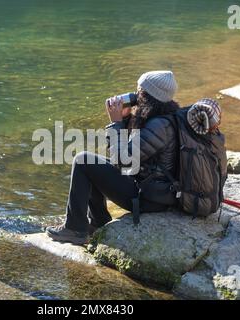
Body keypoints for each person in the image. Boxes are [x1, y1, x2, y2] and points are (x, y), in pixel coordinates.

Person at [46, 71, 181, 245]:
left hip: (149, 200)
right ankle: (98, 222)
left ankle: (75, 229)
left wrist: (116, 123)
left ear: (147, 96)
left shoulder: (159, 126)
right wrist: (125, 121)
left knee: (83, 161)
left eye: (138, 91)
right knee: (93, 163)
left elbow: (122, 161)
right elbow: (131, 157)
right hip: (156, 192)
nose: (135, 95)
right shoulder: (163, 118)